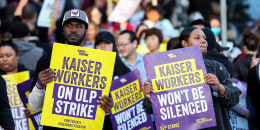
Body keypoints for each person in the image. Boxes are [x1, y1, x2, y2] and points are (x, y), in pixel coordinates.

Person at [28, 9, 114, 130]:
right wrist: (40, 85)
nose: (73, 30)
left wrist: (107, 110)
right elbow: (34, 106)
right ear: (63, 29)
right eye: (69, 26)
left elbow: (102, 109)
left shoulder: (98, 62)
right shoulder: (47, 59)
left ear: (86, 30)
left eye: (78, 26)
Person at [142, 27, 241, 130]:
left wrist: (220, 88)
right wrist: (150, 98)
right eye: (197, 38)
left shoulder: (216, 67)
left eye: (204, 38)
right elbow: (151, 110)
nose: (203, 41)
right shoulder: (168, 72)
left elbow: (235, 99)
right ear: (184, 43)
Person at [94, 31, 130, 130]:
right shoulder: (88, 69)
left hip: (116, 123)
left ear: (113, 46)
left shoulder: (124, 70)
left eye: (106, 43)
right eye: (99, 44)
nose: (102, 46)